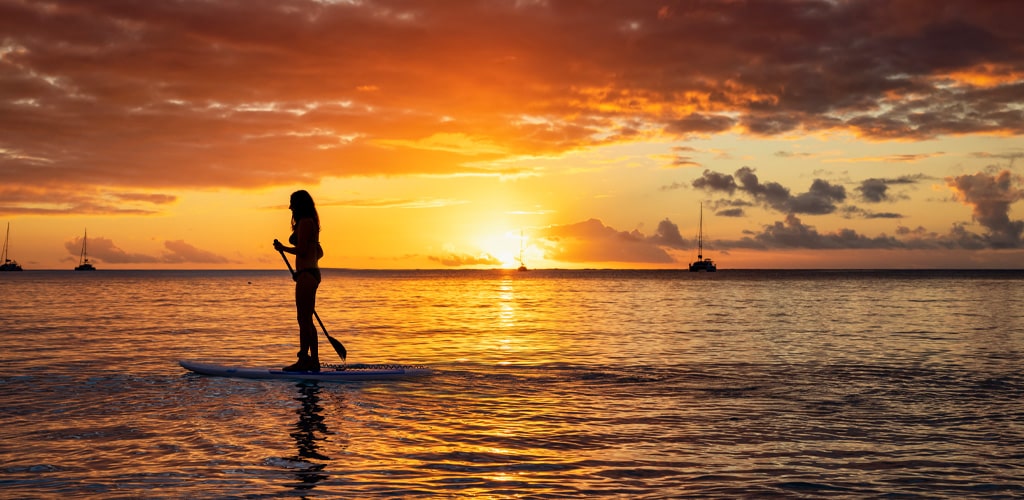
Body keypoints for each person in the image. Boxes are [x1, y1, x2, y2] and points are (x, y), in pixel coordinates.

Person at [273, 190, 325, 372]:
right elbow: (319, 252)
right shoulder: (311, 223)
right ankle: (314, 362)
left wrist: (283, 248)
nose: (290, 207)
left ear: (299, 205)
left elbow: (303, 250)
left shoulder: (304, 223)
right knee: (306, 319)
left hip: (308, 275)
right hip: (309, 274)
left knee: (303, 319)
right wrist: (301, 271)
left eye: (292, 203)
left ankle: (304, 360)